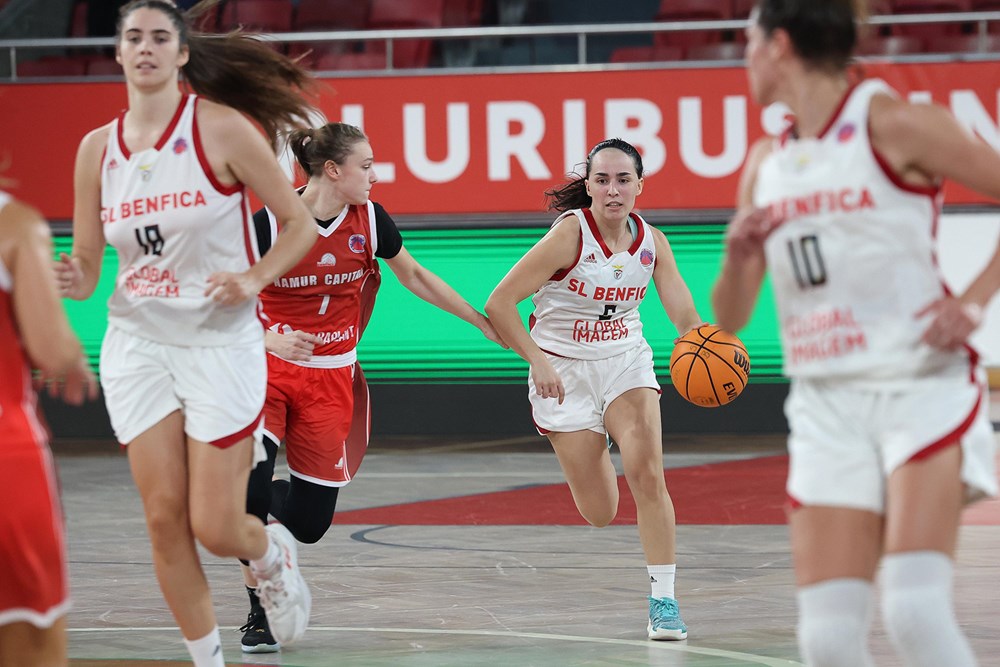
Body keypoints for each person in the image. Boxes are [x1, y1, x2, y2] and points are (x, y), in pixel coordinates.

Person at [711, 2, 1000, 665]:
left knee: (914, 609)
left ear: (779, 46)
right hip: (825, 404)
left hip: (917, 387)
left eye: (748, 42)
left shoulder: (895, 122)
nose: (743, 58)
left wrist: (977, 300)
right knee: (829, 639)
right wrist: (737, 255)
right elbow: (727, 321)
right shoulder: (764, 164)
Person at [54, 1, 320, 665]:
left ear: (180, 54)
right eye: (132, 38)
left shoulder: (222, 129)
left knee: (216, 523)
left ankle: (270, 552)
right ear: (117, 53)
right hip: (138, 344)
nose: (145, 47)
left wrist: (255, 279)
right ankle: (208, 660)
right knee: (162, 517)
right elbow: (91, 266)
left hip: (218, 342)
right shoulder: (96, 150)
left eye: (159, 37)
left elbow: (298, 224)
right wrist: (70, 275)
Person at [237, 121, 507, 653]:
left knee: (309, 524)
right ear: (332, 171)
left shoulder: (371, 221)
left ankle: (249, 520)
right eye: (366, 165)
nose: (374, 175)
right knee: (249, 484)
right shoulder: (268, 223)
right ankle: (260, 610)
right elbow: (225, 296)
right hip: (264, 373)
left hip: (333, 376)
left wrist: (476, 319)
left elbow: (415, 276)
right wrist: (267, 337)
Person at [484, 138, 703, 641]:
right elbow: (499, 304)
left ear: (640, 186)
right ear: (588, 187)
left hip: (625, 361)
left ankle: (664, 601)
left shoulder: (653, 243)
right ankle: (596, 437)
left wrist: (707, 345)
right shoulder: (568, 237)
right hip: (564, 374)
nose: (613, 190)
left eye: (623, 179)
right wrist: (536, 361)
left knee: (648, 473)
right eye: (602, 180)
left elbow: (685, 317)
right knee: (601, 511)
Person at [0, 192, 98, 667]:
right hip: (7, 456)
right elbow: (52, 351)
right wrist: (73, 356)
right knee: (33, 646)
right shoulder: (14, 224)